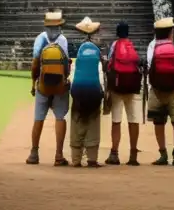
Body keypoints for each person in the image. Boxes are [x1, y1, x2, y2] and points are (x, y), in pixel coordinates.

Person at [28, 10, 71, 166]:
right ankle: (58, 155)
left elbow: (34, 64)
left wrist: (34, 83)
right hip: (59, 86)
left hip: (43, 85)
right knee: (60, 117)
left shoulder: (40, 38)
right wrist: (64, 79)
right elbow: (66, 64)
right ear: (59, 25)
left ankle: (34, 153)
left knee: (39, 118)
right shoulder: (63, 40)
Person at [145, 16, 174, 167]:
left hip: (156, 90)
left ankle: (163, 154)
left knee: (158, 122)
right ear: (170, 32)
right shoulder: (173, 46)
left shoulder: (152, 46)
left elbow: (150, 66)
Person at [68, 17, 105, 167]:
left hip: (78, 90)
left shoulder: (79, 51)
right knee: (93, 122)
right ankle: (91, 159)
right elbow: (101, 75)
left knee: (77, 121)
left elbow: (72, 75)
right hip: (94, 90)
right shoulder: (97, 52)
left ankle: (76, 159)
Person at [104, 21, 143, 166]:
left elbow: (109, 63)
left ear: (117, 32)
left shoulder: (115, 45)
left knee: (116, 120)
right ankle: (133, 155)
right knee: (133, 120)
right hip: (132, 86)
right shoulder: (131, 45)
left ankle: (114, 153)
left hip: (117, 86)